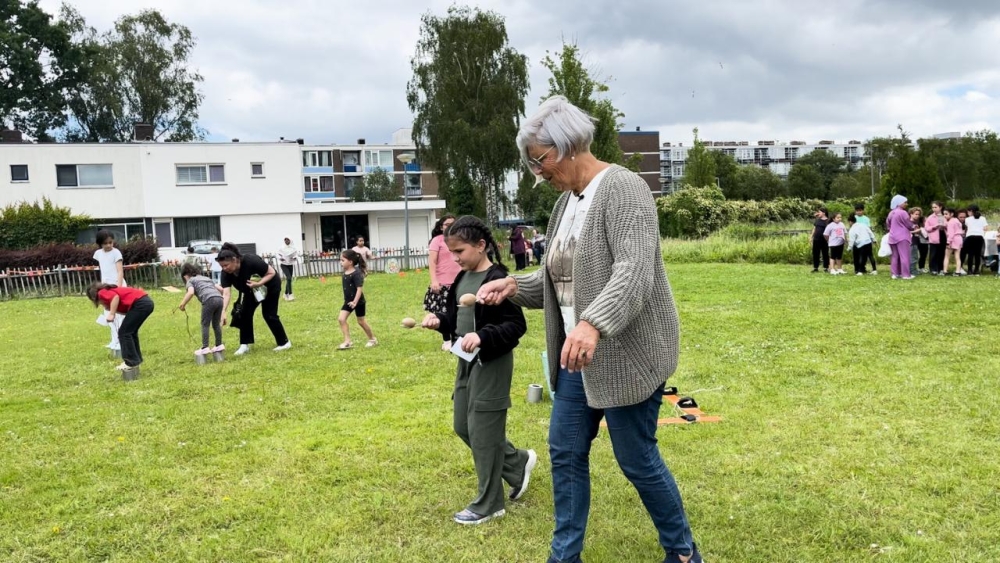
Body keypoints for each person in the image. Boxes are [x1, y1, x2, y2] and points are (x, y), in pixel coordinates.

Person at [478, 95, 701, 563]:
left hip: (627, 355)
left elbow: (633, 271)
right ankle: (565, 557)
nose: (538, 172)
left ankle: (682, 553)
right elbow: (559, 280)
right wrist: (512, 287)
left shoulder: (624, 188)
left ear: (568, 146)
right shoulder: (565, 205)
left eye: (539, 160)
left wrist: (593, 323)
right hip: (577, 358)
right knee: (565, 451)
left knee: (637, 459)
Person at [421, 215, 536, 526]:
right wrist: (439, 323)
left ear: (481, 245)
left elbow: (515, 325)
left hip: (491, 363)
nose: (454, 258)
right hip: (465, 360)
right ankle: (516, 462)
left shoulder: (496, 279)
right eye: (451, 252)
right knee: (464, 425)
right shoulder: (461, 279)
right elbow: (454, 318)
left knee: (484, 433)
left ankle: (489, 503)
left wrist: (483, 337)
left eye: (459, 251)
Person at [216, 242, 291, 355]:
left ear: (235, 260)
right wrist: (223, 311)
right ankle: (244, 345)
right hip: (251, 290)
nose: (224, 268)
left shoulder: (251, 261)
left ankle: (284, 343)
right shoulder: (226, 273)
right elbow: (226, 293)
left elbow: (271, 273)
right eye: (222, 266)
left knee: (269, 314)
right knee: (244, 313)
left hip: (270, 286)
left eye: (226, 265)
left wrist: (259, 283)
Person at [87, 282, 154, 371]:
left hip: (140, 304)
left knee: (124, 333)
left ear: (93, 296)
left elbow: (115, 297)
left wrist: (112, 313)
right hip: (145, 303)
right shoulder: (109, 291)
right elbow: (127, 310)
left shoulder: (101, 292)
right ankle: (136, 359)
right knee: (131, 332)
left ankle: (130, 362)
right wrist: (113, 310)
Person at [426, 214, 460, 351]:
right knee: (444, 312)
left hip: (459, 281)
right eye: (447, 224)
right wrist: (434, 280)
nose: (450, 226)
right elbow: (432, 262)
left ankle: (457, 337)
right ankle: (447, 340)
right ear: (441, 227)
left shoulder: (460, 239)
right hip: (443, 283)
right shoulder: (437, 240)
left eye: (453, 223)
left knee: (459, 312)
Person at [179, 263, 225, 356]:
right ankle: (219, 345)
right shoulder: (206, 278)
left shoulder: (190, 281)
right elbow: (221, 289)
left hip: (209, 300)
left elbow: (191, 292)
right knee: (216, 324)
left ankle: (205, 347)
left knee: (205, 324)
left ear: (185, 275)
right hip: (220, 299)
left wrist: (182, 304)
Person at [93, 230, 126, 351]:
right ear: (100, 243)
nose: (108, 245)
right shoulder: (98, 253)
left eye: (110, 242)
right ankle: (114, 340)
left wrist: (119, 287)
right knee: (108, 314)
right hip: (105, 286)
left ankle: (121, 341)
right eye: (105, 243)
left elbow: (120, 271)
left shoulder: (116, 253)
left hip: (117, 286)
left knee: (118, 315)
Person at [337, 249, 377, 350]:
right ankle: (347, 341)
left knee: (361, 321)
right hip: (348, 301)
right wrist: (350, 301)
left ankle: (372, 339)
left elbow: (359, 289)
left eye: (342, 260)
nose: (340, 262)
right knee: (341, 319)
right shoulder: (345, 272)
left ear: (350, 262)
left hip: (358, 302)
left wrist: (355, 301)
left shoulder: (356, 273)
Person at [886, 195, 915, 280]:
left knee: (895, 256)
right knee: (904, 256)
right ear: (899, 203)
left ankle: (895, 274)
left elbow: (888, 225)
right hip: (903, 237)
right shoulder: (903, 212)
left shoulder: (891, 213)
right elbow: (909, 224)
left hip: (892, 236)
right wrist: (914, 226)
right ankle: (905, 274)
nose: (906, 204)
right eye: (905, 202)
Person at [963, 204, 988, 275]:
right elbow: (986, 228)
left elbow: (967, 227)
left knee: (970, 254)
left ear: (971, 211)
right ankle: (977, 270)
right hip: (979, 237)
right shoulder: (983, 218)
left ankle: (970, 270)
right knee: (978, 254)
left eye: (968, 212)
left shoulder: (967, 219)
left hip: (970, 237)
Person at [854, 204, 878, 274]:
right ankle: (858, 269)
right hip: (857, 239)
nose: (859, 212)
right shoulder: (854, 218)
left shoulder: (866, 219)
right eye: (857, 211)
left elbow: (869, 229)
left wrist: (872, 239)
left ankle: (869, 269)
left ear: (863, 211)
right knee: (858, 255)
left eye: (860, 210)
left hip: (865, 239)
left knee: (867, 255)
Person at [925, 201, 947, 275]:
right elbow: (927, 228)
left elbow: (949, 225)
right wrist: (934, 226)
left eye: (935, 207)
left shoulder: (944, 215)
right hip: (934, 238)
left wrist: (944, 226)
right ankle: (933, 269)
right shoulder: (930, 217)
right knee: (933, 254)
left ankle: (941, 268)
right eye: (933, 207)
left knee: (942, 253)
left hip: (943, 236)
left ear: (940, 207)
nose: (934, 209)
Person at [943, 208, 966, 275]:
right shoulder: (957, 221)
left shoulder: (950, 222)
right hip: (959, 238)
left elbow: (951, 233)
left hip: (952, 239)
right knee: (957, 256)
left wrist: (948, 242)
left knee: (947, 256)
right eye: (944, 214)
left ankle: (945, 271)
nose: (944, 215)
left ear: (952, 214)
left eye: (946, 214)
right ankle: (957, 271)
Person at [278, 237, 300, 301]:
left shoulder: (293, 248)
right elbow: (277, 254)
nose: (286, 241)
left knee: (289, 279)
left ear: (290, 240)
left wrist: (295, 257)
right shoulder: (281, 248)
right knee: (289, 278)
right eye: (285, 240)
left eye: (287, 240)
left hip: (290, 264)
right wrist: (280, 258)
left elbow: (296, 254)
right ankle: (290, 294)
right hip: (284, 264)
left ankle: (285, 294)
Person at [811, 207, 830, 273]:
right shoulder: (817, 220)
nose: (818, 213)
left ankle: (826, 267)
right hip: (816, 239)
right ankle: (815, 267)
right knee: (815, 253)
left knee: (825, 253)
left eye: (820, 212)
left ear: (824, 213)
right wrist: (811, 237)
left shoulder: (828, 221)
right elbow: (814, 228)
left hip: (825, 240)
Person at [908, 208, 924, 277]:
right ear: (911, 214)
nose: (917, 216)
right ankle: (912, 271)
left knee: (915, 256)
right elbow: (907, 232)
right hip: (911, 242)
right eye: (916, 214)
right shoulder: (909, 223)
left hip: (916, 241)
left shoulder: (916, 223)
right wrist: (917, 231)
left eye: (918, 214)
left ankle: (913, 270)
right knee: (913, 257)